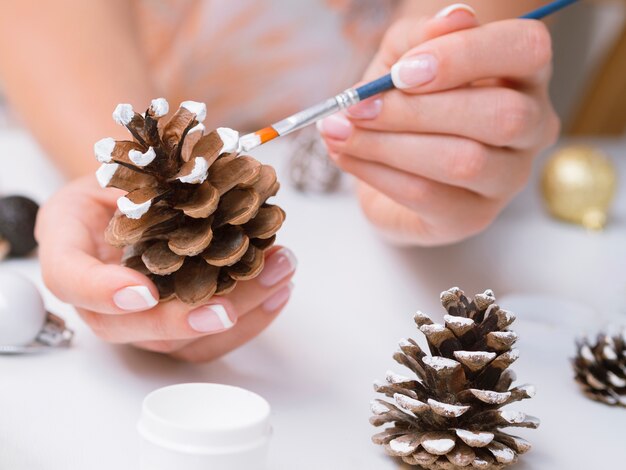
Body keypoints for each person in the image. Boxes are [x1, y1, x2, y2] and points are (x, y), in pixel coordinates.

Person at [0, 1, 559, 362]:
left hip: (345, 203)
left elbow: (466, 33)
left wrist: (448, 136)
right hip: (70, 101)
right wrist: (116, 189)